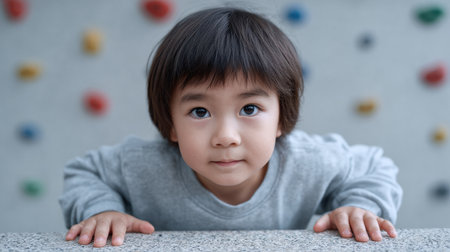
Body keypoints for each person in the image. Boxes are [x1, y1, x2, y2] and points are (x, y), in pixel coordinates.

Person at [59, 7, 402, 248]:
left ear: (282, 117)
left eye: (249, 108)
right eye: (199, 111)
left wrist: (360, 207)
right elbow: (86, 171)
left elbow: (374, 166)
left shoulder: (308, 162)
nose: (226, 136)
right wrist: (102, 211)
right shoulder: (144, 166)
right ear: (171, 122)